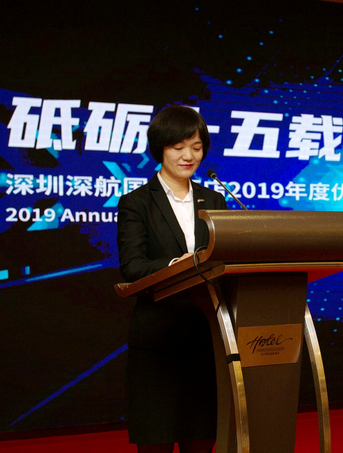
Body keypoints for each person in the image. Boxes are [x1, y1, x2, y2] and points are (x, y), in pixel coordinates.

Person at [117, 105, 228, 453]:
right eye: (178, 147)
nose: (188, 156)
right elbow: (132, 265)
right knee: (157, 441)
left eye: (196, 147)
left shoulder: (214, 200)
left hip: (206, 337)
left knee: (202, 440)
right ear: (160, 149)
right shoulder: (136, 203)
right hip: (158, 340)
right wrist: (173, 265)